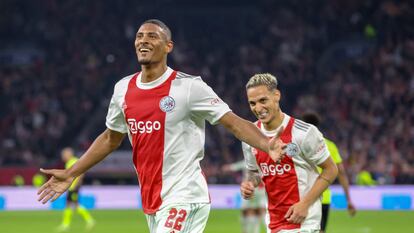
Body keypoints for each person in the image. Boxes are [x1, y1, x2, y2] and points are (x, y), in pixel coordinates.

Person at [37, 19, 285, 233]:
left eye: (152, 36)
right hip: (152, 200)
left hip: (185, 196)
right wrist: (72, 172)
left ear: (168, 46)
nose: (143, 41)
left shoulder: (189, 87)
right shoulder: (123, 89)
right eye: (139, 36)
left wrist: (266, 144)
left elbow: (232, 122)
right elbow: (111, 138)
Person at [240, 73, 338, 233]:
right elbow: (254, 172)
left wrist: (305, 204)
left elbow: (331, 169)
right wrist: (250, 184)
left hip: (304, 224)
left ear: (276, 95)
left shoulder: (304, 133)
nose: (258, 108)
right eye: (252, 103)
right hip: (273, 224)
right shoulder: (250, 136)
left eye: (263, 100)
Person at [301, 113, 356, 233]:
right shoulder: (329, 145)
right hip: (323, 197)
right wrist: (348, 200)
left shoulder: (296, 144)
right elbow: (341, 173)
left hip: (300, 196)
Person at [56, 147, 95, 232]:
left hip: (74, 187)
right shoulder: (69, 162)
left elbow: (81, 173)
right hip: (71, 187)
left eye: (64, 154)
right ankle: (66, 224)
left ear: (69, 154)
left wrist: (76, 185)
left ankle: (89, 220)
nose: (63, 156)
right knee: (70, 205)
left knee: (74, 205)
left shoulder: (74, 161)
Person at [222, 160, 266, 233]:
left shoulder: (248, 160)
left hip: (249, 189)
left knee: (248, 211)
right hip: (260, 190)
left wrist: (228, 167)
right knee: (258, 212)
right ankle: (254, 230)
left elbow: (236, 166)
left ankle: (247, 230)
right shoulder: (261, 160)